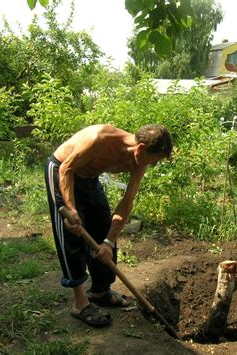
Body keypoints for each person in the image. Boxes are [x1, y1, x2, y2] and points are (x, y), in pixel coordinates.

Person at [44, 123, 173, 327]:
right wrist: (71, 209)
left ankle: (100, 291)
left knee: (103, 227)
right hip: (62, 170)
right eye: (154, 160)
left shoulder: (140, 162)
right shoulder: (100, 138)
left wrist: (109, 242)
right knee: (72, 234)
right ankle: (80, 303)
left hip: (89, 178)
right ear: (140, 149)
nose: (154, 165)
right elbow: (67, 168)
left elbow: (126, 202)